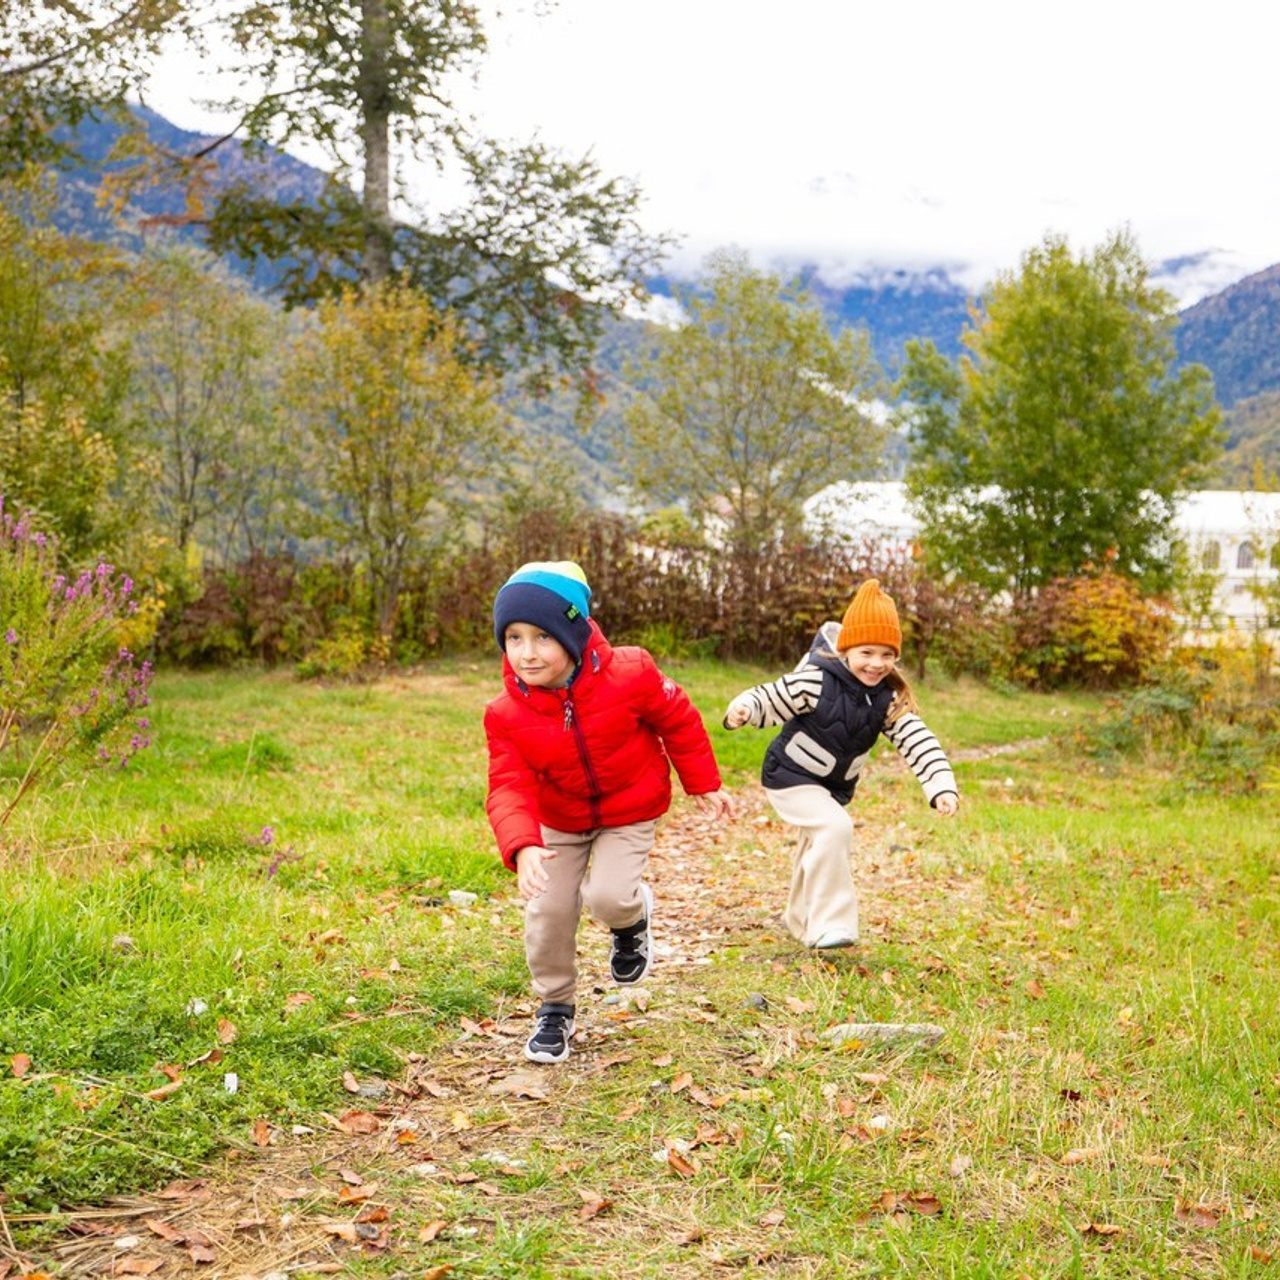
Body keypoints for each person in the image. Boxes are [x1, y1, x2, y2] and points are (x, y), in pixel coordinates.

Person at [484, 561, 734, 1064]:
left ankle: (631, 921)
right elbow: (508, 783)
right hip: (560, 820)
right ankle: (556, 1006)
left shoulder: (632, 673)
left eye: (542, 636)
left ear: (573, 633)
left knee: (609, 896)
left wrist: (703, 782)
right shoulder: (506, 713)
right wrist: (524, 844)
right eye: (514, 638)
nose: (527, 653)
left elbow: (679, 720)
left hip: (629, 807)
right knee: (548, 911)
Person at [723, 578, 957, 951]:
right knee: (835, 827)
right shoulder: (817, 680)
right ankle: (831, 924)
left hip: (831, 787)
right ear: (847, 649)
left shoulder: (887, 698)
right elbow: (775, 696)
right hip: (790, 776)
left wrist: (941, 785)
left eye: (887, 654)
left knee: (816, 843)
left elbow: (918, 740)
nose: (877, 663)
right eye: (866, 652)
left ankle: (798, 919)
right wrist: (745, 708)